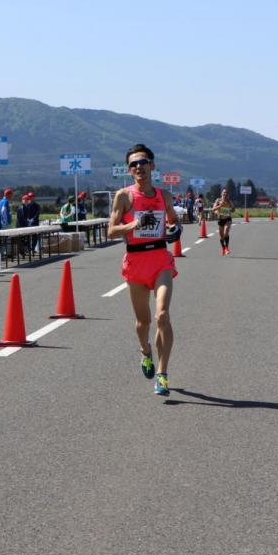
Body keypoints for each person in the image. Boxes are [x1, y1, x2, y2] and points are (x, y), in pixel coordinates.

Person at [107, 143, 180, 397]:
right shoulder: (124, 196)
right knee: (143, 322)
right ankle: (145, 351)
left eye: (143, 162)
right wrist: (134, 224)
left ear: (152, 166)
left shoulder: (164, 196)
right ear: (129, 171)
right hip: (136, 262)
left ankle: (162, 373)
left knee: (162, 316)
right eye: (133, 164)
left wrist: (175, 229)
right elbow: (111, 230)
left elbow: (173, 221)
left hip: (160, 259)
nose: (139, 167)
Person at [211, 188, 236, 254]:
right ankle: (223, 248)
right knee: (221, 236)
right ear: (221, 193)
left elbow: (233, 210)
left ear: (228, 195)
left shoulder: (229, 201)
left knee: (226, 231)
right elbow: (213, 209)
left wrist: (231, 209)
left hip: (228, 218)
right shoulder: (218, 200)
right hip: (220, 219)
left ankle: (227, 248)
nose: (225, 194)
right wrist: (219, 206)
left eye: (226, 193)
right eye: (224, 192)